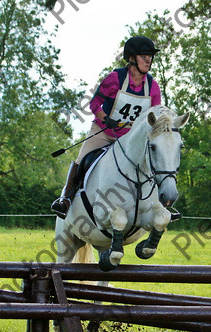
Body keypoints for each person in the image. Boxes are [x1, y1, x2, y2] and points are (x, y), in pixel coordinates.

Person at [51, 35, 162, 219]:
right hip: (104, 131)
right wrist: (105, 118)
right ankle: (65, 199)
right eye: (144, 56)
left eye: (150, 56)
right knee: (82, 159)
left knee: (154, 161)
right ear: (132, 58)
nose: (149, 60)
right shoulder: (114, 79)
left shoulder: (153, 87)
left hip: (130, 138)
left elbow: (155, 115)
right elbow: (94, 104)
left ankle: (159, 204)